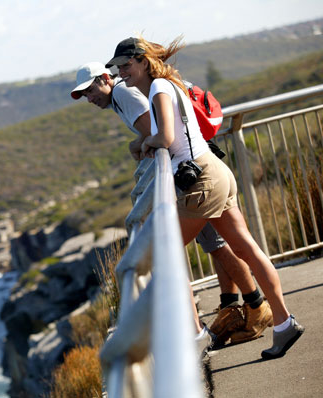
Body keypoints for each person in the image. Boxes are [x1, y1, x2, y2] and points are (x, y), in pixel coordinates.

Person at [104, 36, 304, 359]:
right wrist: (145, 141)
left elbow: (167, 137)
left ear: (143, 62)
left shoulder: (157, 89)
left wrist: (145, 143)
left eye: (127, 65)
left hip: (201, 181)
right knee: (247, 249)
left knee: (163, 255)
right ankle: (284, 324)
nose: (123, 73)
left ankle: (195, 338)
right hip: (215, 171)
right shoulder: (170, 83)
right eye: (119, 68)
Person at [71, 62, 274, 349]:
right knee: (222, 243)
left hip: (190, 174)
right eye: (85, 95)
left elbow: (153, 134)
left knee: (212, 246)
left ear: (106, 78)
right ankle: (237, 308)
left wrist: (139, 145)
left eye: (91, 90)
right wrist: (141, 142)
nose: (90, 98)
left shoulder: (123, 95)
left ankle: (254, 307)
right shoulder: (123, 96)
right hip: (197, 168)